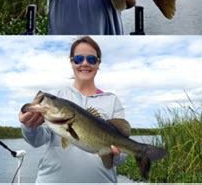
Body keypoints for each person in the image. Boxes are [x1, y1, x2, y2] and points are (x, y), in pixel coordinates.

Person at [19, 36, 127, 182]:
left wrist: (116, 155)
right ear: (71, 62)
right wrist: (29, 127)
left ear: (98, 64)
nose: (84, 64)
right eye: (78, 59)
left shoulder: (112, 100)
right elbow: (37, 141)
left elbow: (122, 154)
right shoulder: (57, 95)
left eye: (91, 59)